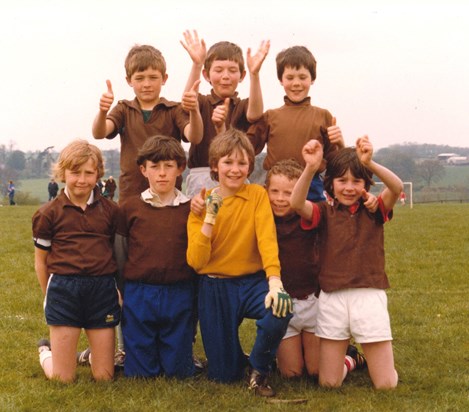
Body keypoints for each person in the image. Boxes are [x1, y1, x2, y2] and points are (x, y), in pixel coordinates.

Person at [290, 136, 402, 389]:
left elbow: (395, 187)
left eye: (356, 181)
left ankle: (373, 362)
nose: (349, 187)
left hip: (369, 295)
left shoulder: (375, 210)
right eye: (342, 181)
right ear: (331, 183)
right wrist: (310, 167)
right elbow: (296, 203)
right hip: (332, 298)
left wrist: (369, 163)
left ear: (366, 184)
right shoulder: (323, 211)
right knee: (329, 383)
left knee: (386, 385)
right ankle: (352, 361)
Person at [186, 129, 292, 397]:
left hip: (251, 282)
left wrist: (275, 281)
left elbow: (267, 239)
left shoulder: (256, 195)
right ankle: (235, 359)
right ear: (214, 166)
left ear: (250, 166)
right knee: (223, 375)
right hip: (214, 287)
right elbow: (197, 263)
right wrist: (209, 217)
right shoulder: (200, 205)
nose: (235, 170)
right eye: (228, 163)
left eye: (242, 163)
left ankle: (259, 367)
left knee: (281, 308)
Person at [265, 159, 371, 380]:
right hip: (284, 303)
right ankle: (285, 352)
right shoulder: (263, 219)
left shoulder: (309, 216)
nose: (280, 199)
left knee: (315, 371)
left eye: (288, 192)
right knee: (291, 373)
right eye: (274, 191)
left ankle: (351, 357)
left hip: (311, 301)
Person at [32, 139, 121, 383]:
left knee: (104, 377)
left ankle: (92, 356)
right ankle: (46, 352)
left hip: (101, 290)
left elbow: (117, 255)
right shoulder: (47, 213)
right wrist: (48, 295)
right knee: (63, 379)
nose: (82, 180)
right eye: (75, 173)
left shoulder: (111, 211)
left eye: (89, 173)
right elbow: (41, 261)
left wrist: (119, 290)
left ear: (98, 174)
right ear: (62, 173)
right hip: (64, 290)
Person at [115, 135, 195, 378]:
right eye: (155, 167)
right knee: (141, 373)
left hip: (179, 291)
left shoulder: (191, 208)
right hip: (140, 292)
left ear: (180, 169)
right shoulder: (129, 208)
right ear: (143, 170)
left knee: (177, 372)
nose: (162, 173)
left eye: (169, 166)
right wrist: (122, 288)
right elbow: (120, 254)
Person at [92, 44, 203, 204]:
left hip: (168, 196)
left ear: (164, 78)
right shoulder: (123, 109)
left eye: (153, 77)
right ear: (129, 80)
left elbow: (195, 136)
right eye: (139, 78)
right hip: (131, 195)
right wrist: (102, 112)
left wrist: (194, 110)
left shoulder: (174, 110)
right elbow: (99, 132)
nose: (146, 84)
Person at [247, 45, 344, 201]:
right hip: (277, 185)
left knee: (314, 223)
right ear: (281, 80)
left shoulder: (323, 116)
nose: (296, 83)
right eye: (290, 78)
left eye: (302, 77)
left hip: (311, 186)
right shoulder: (270, 116)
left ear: (312, 79)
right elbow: (246, 148)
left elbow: (335, 161)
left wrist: (341, 143)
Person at [180, 30, 269, 197]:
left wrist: (254, 75)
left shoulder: (242, 106)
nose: (226, 76)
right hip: (202, 174)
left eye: (232, 70)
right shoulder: (202, 102)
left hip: (235, 174)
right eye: (219, 70)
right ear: (206, 75)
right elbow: (187, 102)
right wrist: (197, 65)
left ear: (242, 75)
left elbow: (255, 114)